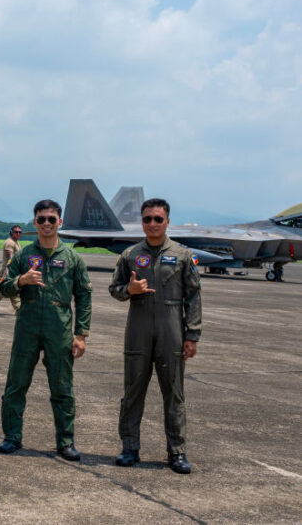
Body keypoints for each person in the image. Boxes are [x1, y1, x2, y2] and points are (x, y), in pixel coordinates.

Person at [108, 198, 201, 474]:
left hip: (171, 329)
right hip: (138, 330)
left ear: (167, 222)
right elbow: (115, 288)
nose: (152, 224)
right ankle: (129, 448)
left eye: (157, 219)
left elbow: (194, 295)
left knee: (174, 393)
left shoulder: (183, 256)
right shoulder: (130, 255)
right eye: (147, 219)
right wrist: (130, 291)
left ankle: (177, 451)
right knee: (133, 392)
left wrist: (192, 334)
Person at [0, 200, 92, 460]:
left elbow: (83, 296)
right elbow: (3, 287)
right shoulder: (24, 255)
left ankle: (66, 441)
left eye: (51, 219)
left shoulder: (72, 258)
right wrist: (21, 280)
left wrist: (81, 334)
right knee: (16, 384)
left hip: (58, 327)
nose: (47, 223)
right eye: (41, 219)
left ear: (59, 222)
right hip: (27, 324)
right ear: (35, 222)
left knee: (62, 386)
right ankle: (11, 437)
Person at [0, 226, 23, 313]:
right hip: (8, 271)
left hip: (12, 271)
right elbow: (11, 258)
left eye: (19, 232)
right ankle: (19, 309)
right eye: (16, 232)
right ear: (11, 232)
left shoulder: (15, 242)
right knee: (3, 290)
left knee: (4, 291)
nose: (18, 233)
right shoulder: (10, 242)